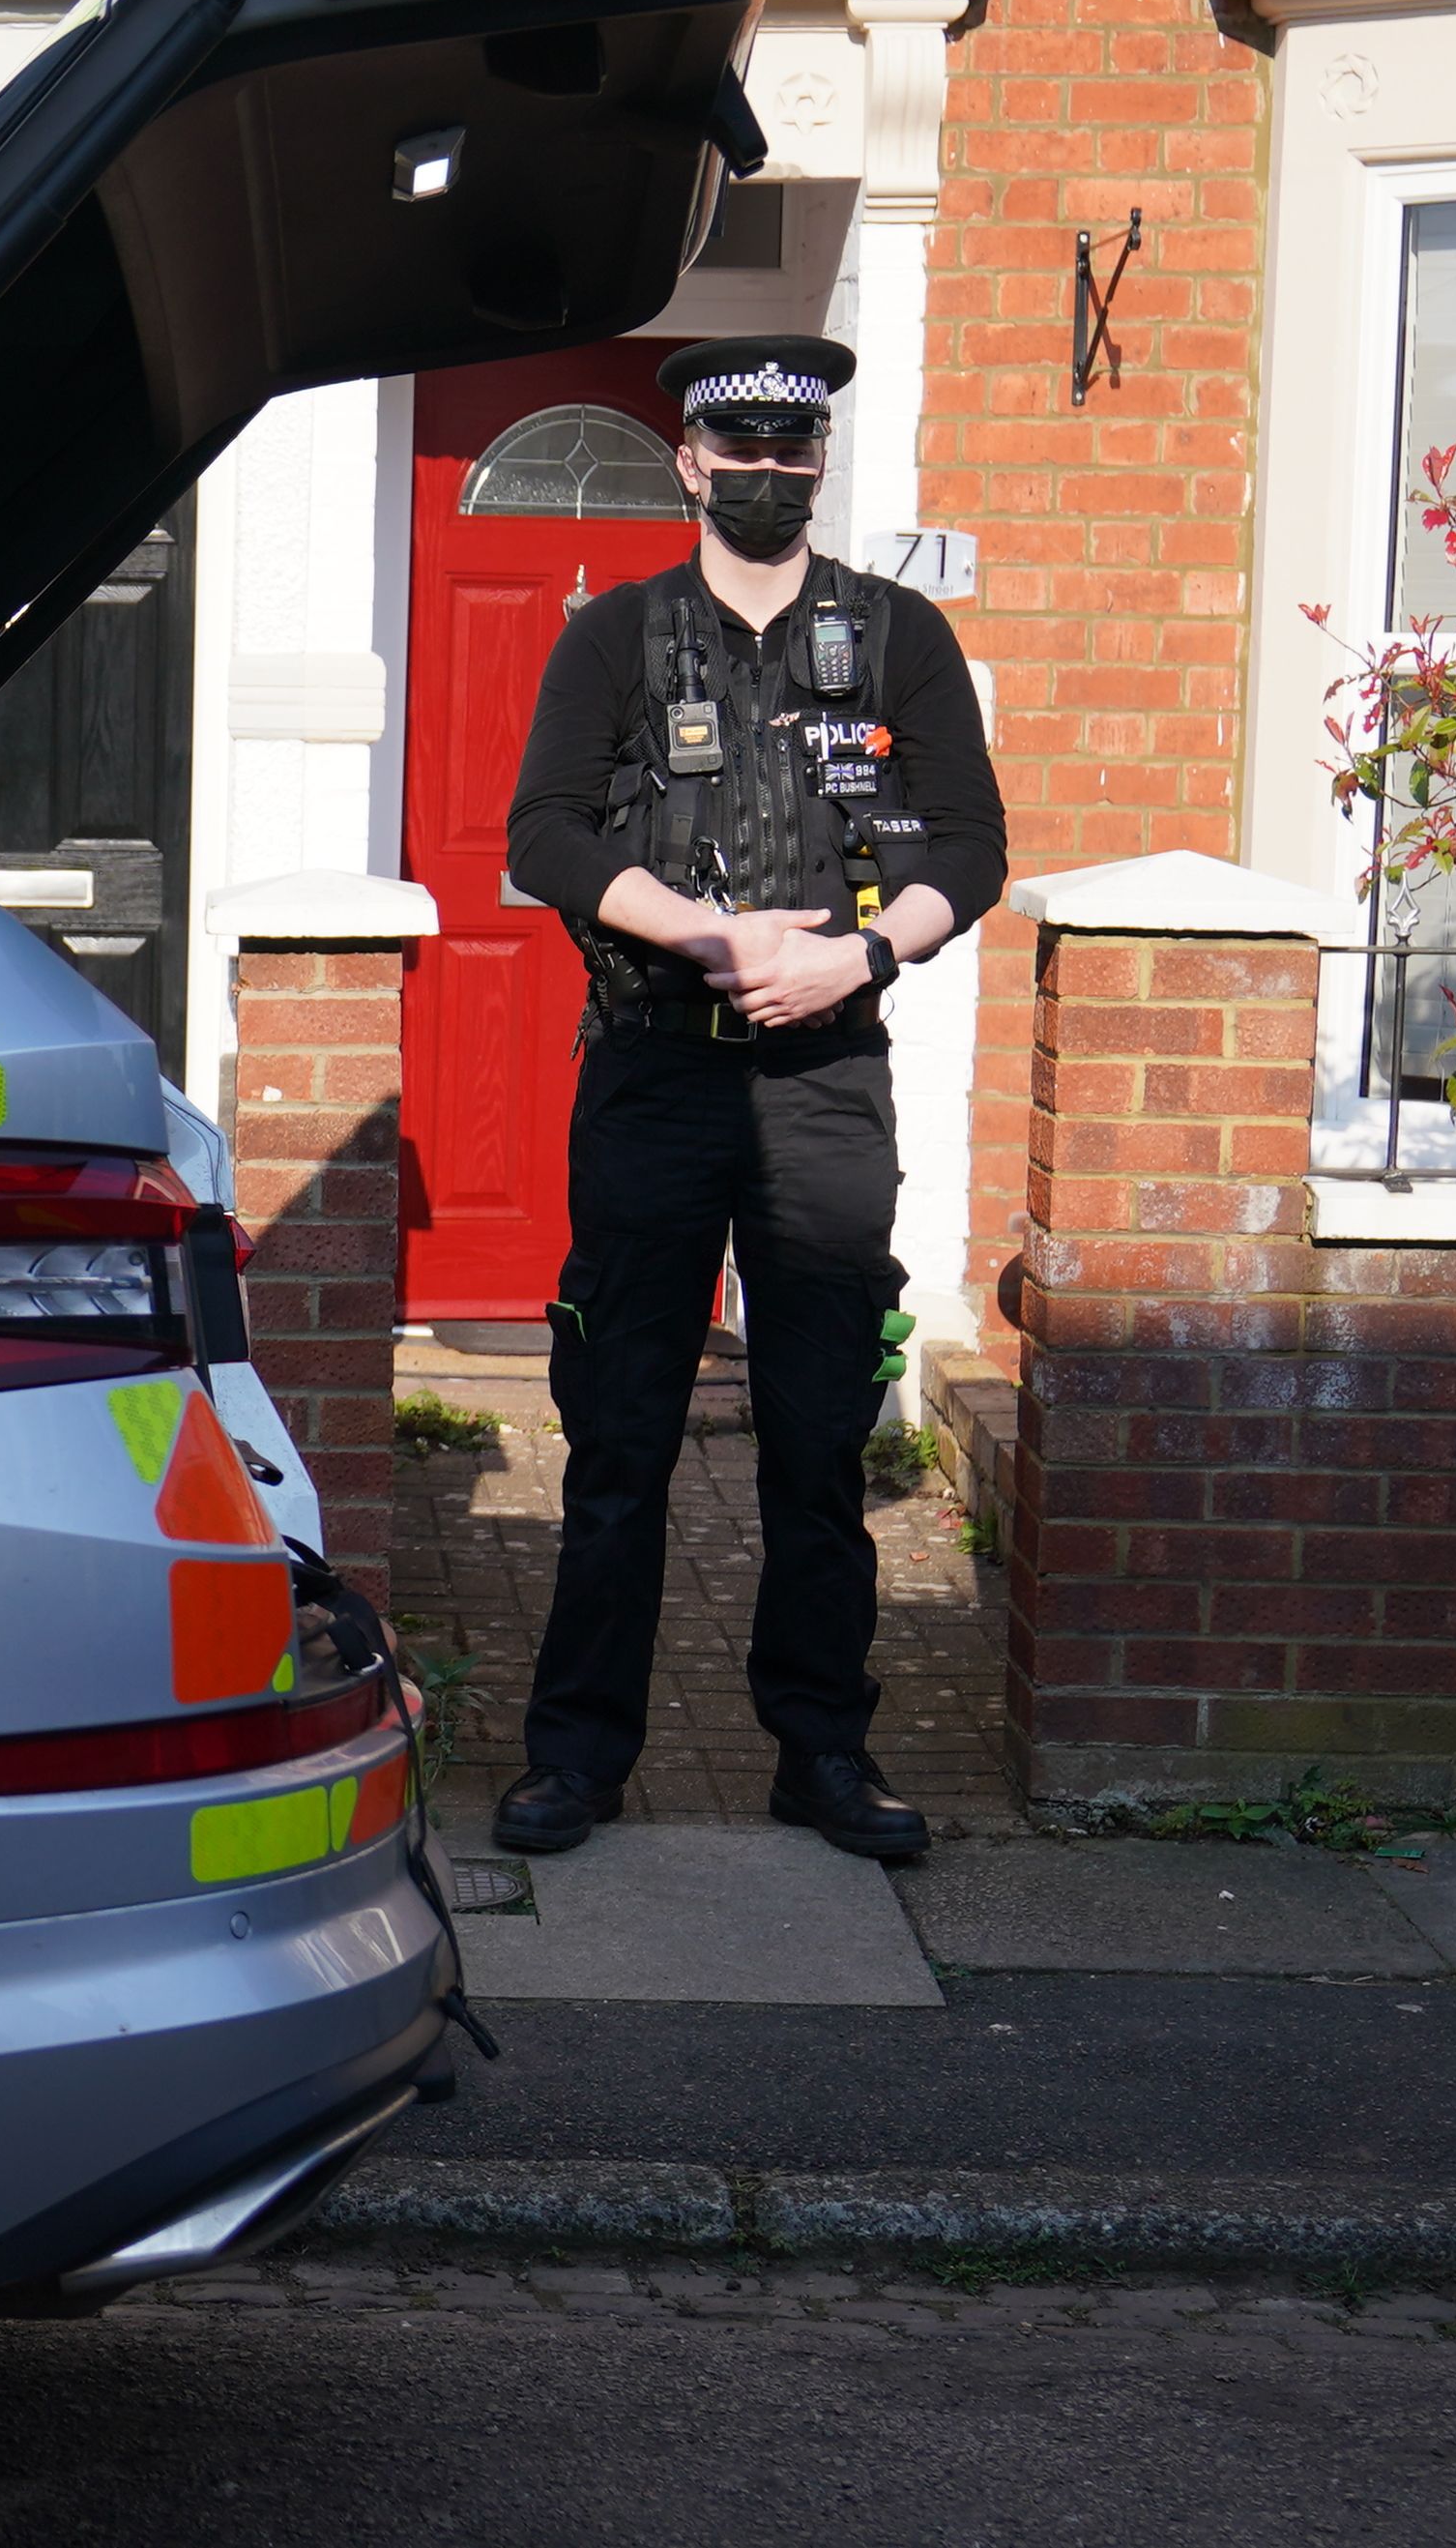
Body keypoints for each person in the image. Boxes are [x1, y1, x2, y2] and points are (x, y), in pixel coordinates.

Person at [490, 334, 1005, 1864]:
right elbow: (544, 836)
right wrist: (707, 934)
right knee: (621, 1429)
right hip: (656, 1071)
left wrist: (854, 957)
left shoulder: (898, 636)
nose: (773, 474)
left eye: (800, 452)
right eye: (745, 451)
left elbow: (969, 849)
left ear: (817, 465)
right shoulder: (616, 639)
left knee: (817, 1430)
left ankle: (823, 1751)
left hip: (827, 1081)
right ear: (691, 465)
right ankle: (578, 1757)